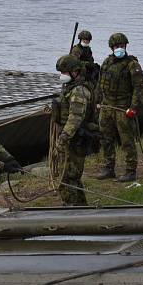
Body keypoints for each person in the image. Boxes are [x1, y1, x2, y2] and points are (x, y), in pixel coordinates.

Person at [95, 32, 143, 182]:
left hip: (123, 108)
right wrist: (98, 101)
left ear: (125, 46)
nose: (119, 48)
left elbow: (139, 88)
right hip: (107, 107)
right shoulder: (107, 62)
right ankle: (108, 167)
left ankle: (130, 171)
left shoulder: (132, 65)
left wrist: (134, 107)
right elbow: (100, 83)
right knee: (105, 138)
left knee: (127, 140)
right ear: (112, 47)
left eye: (121, 46)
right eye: (117, 46)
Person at [53, 55, 98, 206]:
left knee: (66, 179)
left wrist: (63, 137)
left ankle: (71, 210)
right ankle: (81, 208)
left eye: (65, 73)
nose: (62, 76)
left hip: (74, 140)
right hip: (72, 139)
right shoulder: (71, 88)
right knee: (72, 177)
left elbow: (75, 118)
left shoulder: (79, 91)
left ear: (75, 72)